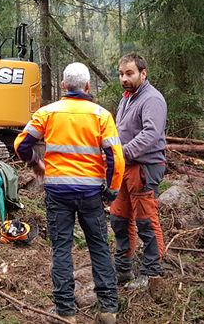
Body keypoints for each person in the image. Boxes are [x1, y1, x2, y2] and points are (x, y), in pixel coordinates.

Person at [14, 62, 125, 324]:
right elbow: (116, 160)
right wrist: (111, 192)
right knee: (99, 247)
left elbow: (21, 145)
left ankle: (65, 312)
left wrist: (35, 162)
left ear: (64, 86)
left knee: (61, 250)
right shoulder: (101, 115)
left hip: (57, 194)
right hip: (91, 195)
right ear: (87, 86)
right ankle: (108, 309)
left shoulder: (48, 113)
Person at [110, 52, 168, 290]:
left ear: (143, 74)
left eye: (129, 73)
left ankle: (151, 272)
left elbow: (150, 134)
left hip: (145, 167)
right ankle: (123, 269)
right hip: (124, 167)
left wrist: (121, 153)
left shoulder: (152, 99)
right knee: (119, 218)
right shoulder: (127, 99)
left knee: (146, 220)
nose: (124, 78)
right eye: (121, 74)